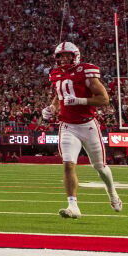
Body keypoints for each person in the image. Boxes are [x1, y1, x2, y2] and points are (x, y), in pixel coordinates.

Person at [49, 41, 120, 219]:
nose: (64, 59)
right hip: (67, 126)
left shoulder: (86, 71)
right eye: (61, 56)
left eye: (67, 55)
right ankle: (73, 206)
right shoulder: (56, 74)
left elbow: (104, 99)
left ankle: (112, 193)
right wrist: (51, 108)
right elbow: (59, 96)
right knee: (68, 164)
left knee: (99, 167)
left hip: (88, 125)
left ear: (75, 56)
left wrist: (80, 101)